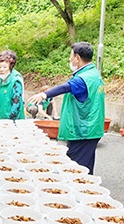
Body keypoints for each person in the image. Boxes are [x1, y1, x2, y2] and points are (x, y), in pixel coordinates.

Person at [28, 42, 105, 175]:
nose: (70, 59)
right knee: (86, 168)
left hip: (83, 131)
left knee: (76, 171)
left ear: (77, 58)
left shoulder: (82, 79)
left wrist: (44, 94)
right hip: (91, 129)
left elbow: (65, 87)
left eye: (71, 56)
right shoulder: (93, 74)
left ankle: (79, 193)